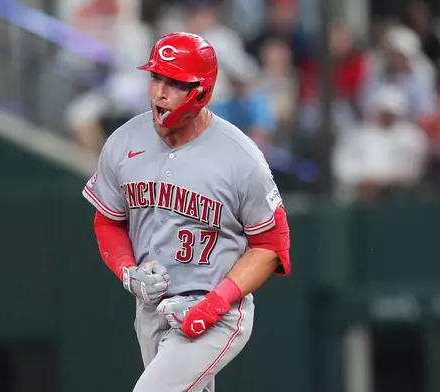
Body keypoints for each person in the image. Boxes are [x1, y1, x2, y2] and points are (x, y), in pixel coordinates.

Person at [81, 32, 291, 392]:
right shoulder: (123, 142)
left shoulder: (240, 157)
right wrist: (128, 272)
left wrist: (214, 306)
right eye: (155, 77)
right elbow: (108, 220)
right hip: (151, 308)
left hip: (214, 310)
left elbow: (271, 246)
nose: (160, 92)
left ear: (202, 90)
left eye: (174, 82)